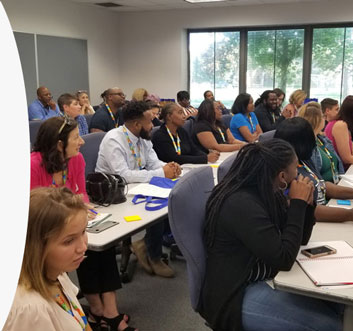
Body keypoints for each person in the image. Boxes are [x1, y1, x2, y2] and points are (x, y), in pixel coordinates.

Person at [200, 139, 344, 331]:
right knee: (329, 326)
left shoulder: (269, 190)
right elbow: (284, 259)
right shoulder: (241, 204)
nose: (299, 171)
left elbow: (299, 240)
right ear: (282, 176)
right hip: (236, 291)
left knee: (340, 303)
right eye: (296, 167)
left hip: (264, 274)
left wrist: (307, 206)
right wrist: (298, 204)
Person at [30, 117, 135, 331]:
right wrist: (73, 209)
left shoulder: (75, 159)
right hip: (42, 233)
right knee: (82, 246)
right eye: (76, 137)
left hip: (69, 223)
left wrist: (83, 209)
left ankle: (108, 310)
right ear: (59, 144)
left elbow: (81, 194)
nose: (82, 142)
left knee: (101, 244)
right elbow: (34, 209)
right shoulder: (33, 165)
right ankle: (98, 310)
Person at [96, 100, 181, 278]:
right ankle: (154, 255)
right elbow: (123, 175)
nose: (153, 125)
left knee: (172, 199)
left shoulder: (143, 138)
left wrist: (170, 167)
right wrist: (161, 173)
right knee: (158, 209)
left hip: (138, 186)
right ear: (136, 124)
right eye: (149, 122)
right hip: (113, 193)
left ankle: (145, 245)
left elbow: (153, 163)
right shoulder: (114, 139)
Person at [4, 187, 90, 330]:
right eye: (69, 241)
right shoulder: (31, 310)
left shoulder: (56, 272)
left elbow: (79, 318)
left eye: (83, 232)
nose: (83, 247)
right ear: (36, 247)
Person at [275, 117, 353, 224]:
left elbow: (322, 185)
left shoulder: (304, 159)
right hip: (312, 224)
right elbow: (307, 211)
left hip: (325, 216)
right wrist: (350, 214)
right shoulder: (288, 172)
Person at [152, 102, 219, 164]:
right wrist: (204, 158)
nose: (184, 116)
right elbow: (174, 158)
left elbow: (194, 150)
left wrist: (208, 156)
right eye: (180, 113)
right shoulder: (160, 136)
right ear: (169, 116)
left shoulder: (181, 131)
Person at [298, 102, 344, 183]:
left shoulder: (322, 139)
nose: (325, 119)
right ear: (316, 120)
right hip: (325, 191)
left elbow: (337, 164)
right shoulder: (307, 145)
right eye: (323, 116)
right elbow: (315, 180)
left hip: (337, 183)